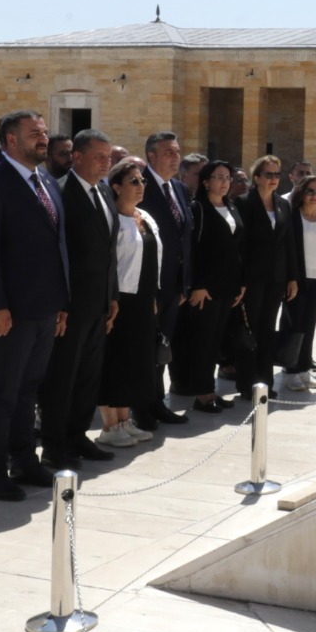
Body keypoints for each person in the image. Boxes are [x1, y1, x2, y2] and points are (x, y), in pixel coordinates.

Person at [0, 109, 69, 500]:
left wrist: (61, 301)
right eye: (34, 133)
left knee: (29, 389)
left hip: (43, 308)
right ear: (11, 139)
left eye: (44, 132)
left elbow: (57, 247)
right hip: (7, 311)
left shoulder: (46, 181)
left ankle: (25, 460)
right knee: (2, 392)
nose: (43, 139)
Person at [42, 129, 117, 468]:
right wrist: (60, 303)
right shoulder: (59, 193)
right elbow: (54, 253)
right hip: (71, 306)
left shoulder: (103, 192)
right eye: (99, 156)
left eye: (109, 157)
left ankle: (77, 436)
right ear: (78, 156)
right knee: (62, 377)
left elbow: (108, 251)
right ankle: (55, 445)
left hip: (98, 303)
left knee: (88, 376)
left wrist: (111, 296)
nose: (106, 163)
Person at [96, 157, 164, 448]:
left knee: (133, 362)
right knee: (113, 360)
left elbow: (153, 258)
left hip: (142, 299)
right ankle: (109, 425)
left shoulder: (145, 217)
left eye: (142, 181)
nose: (140, 186)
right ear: (116, 186)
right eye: (133, 181)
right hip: (119, 300)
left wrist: (153, 296)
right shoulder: (111, 218)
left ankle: (125, 420)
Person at [174, 160, 243, 412]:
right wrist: (198, 285)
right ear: (205, 182)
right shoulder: (198, 209)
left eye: (227, 177)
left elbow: (236, 249)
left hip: (228, 287)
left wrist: (240, 284)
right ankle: (201, 393)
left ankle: (209, 389)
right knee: (202, 342)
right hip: (206, 289)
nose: (224, 182)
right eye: (218, 177)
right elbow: (192, 250)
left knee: (215, 342)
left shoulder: (231, 207)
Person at [134, 131, 193, 429]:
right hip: (149, 287)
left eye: (177, 151)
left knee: (162, 348)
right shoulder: (140, 187)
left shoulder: (180, 190)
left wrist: (185, 284)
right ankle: (142, 408)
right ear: (152, 156)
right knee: (144, 349)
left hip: (174, 287)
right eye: (168, 152)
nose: (175, 157)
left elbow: (184, 240)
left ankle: (158, 403)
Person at [234, 155, 290, 397]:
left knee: (268, 329)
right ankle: (247, 383)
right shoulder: (243, 204)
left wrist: (293, 277)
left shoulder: (283, 205)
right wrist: (242, 281)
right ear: (256, 178)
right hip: (253, 278)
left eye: (277, 175)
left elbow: (289, 244)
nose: (274, 179)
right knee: (251, 329)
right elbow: (240, 246)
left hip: (276, 278)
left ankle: (265, 382)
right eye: (269, 174)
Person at [276, 173, 316, 392]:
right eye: (310, 191)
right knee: (294, 326)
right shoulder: (293, 218)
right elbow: (288, 252)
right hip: (298, 281)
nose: (315, 195)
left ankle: (303, 369)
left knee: (309, 327)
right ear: (301, 193)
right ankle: (290, 370)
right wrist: (290, 279)